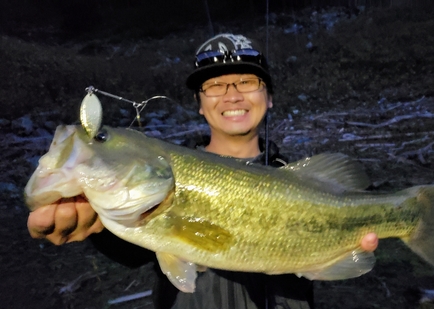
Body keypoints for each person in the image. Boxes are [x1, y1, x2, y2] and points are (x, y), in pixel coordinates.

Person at [27, 33, 379, 309]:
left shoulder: (302, 178)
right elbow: (135, 251)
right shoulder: (157, 196)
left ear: (269, 97)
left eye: (247, 81)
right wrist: (97, 228)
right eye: (214, 86)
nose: (232, 95)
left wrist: (337, 253)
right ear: (199, 104)